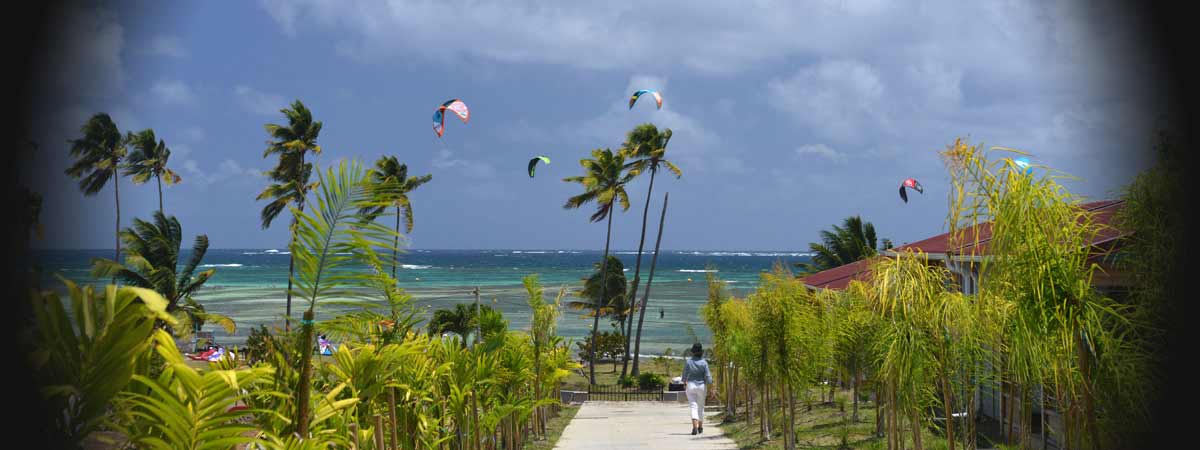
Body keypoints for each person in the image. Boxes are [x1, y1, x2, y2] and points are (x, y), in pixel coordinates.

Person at [681, 342, 714, 435]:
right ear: (701, 352)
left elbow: (684, 375)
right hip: (701, 386)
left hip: (690, 385)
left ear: (693, 352)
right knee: (701, 407)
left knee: (693, 406)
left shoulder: (689, 362)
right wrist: (712, 387)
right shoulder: (704, 363)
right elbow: (708, 377)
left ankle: (694, 427)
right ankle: (700, 426)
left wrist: (684, 382)